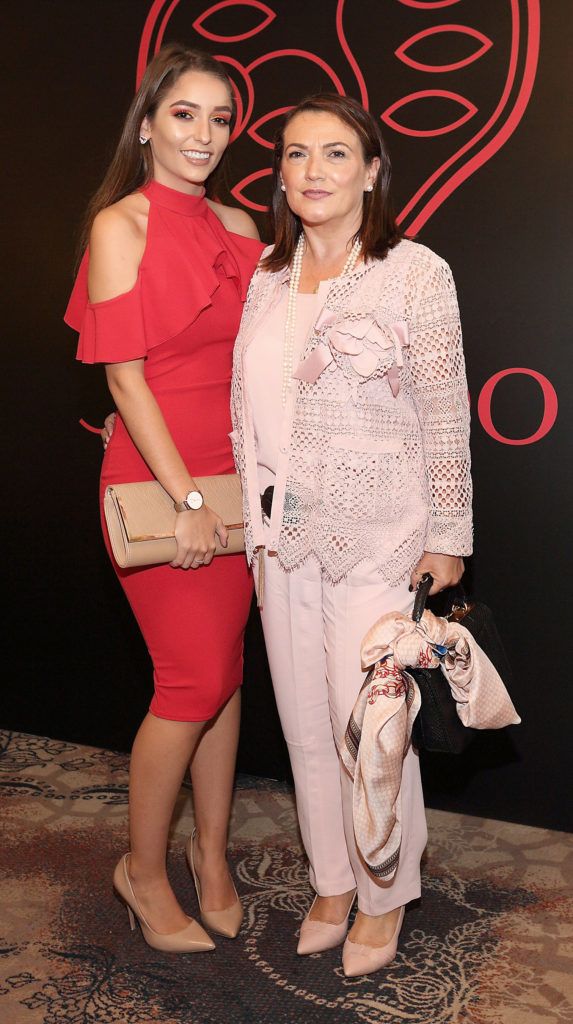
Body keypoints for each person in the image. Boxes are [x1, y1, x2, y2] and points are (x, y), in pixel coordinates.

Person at [230, 93, 472, 977]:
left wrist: (448, 532)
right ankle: (331, 881)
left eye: (335, 154)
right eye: (296, 155)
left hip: (379, 536)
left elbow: (446, 413)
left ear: (371, 172)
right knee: (300, 724)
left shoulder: (414, 271)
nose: (313, 172)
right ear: (281, 175)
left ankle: (382, 895)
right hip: (278, 540)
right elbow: (249, 411)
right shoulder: (265, 274)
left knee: (368, 728)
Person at [65, 44, 264, 953]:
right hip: (159, 479)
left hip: (239, 478)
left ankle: (211, 856)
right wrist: (184, 497)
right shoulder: (122, 224)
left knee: (224, 678)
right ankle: (142, 874)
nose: (204, 135)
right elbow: (125, 380)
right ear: (148, 122)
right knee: (190, 681)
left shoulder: (240, 223)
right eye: (185, 114)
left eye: (221, 119)